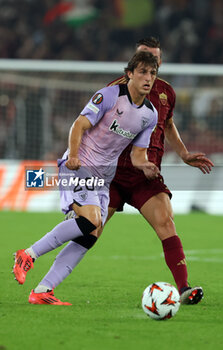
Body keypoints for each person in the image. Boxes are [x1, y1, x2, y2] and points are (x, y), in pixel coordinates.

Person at [13, 51, 160, 305]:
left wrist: (145, 166)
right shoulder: (110, 95)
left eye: (153, 73)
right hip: (80, 164)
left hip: (104, 177)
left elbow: (137, 155)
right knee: (90, 220)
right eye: (143, 72)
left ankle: (42, 290)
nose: (148, 78)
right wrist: (72, 155)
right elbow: (78, 124)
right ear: (130, 74)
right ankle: (27, 254)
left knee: (91, 234)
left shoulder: (150, 115)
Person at [105, 37, 214, 304]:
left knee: (166, 222)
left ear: (160, 62)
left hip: (147, 176)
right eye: (144, 56)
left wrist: (184, 153)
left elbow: (167, 125)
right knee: (87, 230)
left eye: (155, 58)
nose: (150, 63)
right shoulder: (114, 90)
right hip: (114, 174)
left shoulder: (166, 92)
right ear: (132, 62)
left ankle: (184, 287)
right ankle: (41, 270)